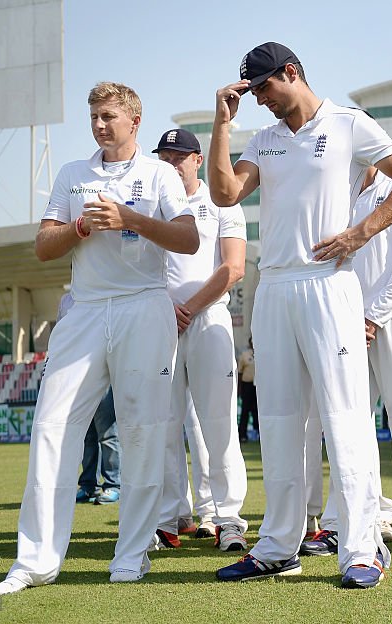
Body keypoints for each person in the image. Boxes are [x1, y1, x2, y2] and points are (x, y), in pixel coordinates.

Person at [207, 42, 392, 589]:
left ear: (291, 72)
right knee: (280, 422)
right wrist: (221, 124)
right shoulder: (263, 139)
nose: (259, 99)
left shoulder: (350, 124)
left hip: (329, 286)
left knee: (345, 418)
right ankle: (279, 546)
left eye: (264, 88)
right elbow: (224, 193)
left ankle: (363, 547)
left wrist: (360, 232)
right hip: (275, 290)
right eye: (252, 91)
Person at [0, 82, 199, 596]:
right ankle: (35, 562)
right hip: (83, 311)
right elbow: (43, 246)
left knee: (144, 431)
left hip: (144, 305)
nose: (100, 126)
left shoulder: (160, 173)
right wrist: (81, 227)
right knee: (52, 427)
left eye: (108, 117)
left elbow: (189, 239)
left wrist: (131, 219)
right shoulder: (71, 174)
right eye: (94, 118)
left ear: (134, 121)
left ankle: (132, 554)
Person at [302, 164, 392, 559]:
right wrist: (345, 316)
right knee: (347, 426)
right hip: (345, 321)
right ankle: (344, 521)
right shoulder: (336, 189)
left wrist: (372, 316)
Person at [149, 128, 250, 552]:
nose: (171, 164)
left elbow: (234, 268)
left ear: (196, 159)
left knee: (219, 424)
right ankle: (170, 517)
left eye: (178, 157)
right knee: (164, 427)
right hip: (159, 325)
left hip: (207, 320)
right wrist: (162, 309)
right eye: (164, 157)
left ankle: (228, 519)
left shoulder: (221, 203)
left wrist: (188, 309)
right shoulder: (153, 203)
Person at [59, 293, 121, 507]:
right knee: (86, 436)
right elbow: (62, 335)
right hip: (78, 375)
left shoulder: (105, 293)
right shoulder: (66, 300)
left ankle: (113, 484)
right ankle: (88, 485)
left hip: (102, 372)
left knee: (107, 434)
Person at [237, 337, 257, 444]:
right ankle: (242, 435)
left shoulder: (261, 352)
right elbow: (239, 372)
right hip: (247, 385)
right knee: (245, 411)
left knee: (257, 411)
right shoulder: (245, 355)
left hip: (258, 386)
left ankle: (258, 434)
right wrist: (239, 389)